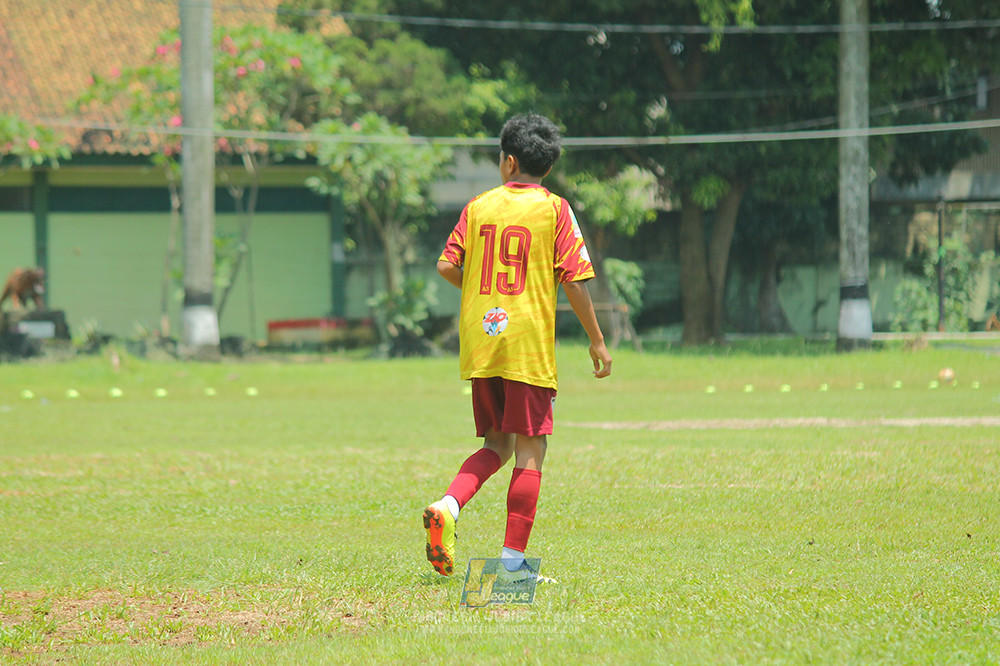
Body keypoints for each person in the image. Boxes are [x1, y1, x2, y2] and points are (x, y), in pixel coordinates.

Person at [423, 113, 612, 584]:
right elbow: (574, 281)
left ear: (508, 162)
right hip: (526, 345)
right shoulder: (554, 210)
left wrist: (485, 294)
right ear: (545, 166)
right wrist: (597, 339)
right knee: (531, 447)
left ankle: (448, 504)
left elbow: (447, 266)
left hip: (482, 342)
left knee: (496, 444)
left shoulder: (478, 205)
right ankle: (512, 566)